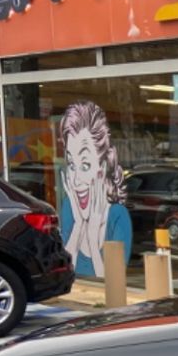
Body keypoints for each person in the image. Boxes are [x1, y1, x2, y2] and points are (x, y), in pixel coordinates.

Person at [58, 101, 132, 277]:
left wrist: (92, 239)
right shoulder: (69, 207)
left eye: (85, 165)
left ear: (103, 167)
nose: (76, 180)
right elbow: (63, 274)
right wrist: (78, 226)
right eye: (72, 165)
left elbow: (114, 280)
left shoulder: (117, 216)